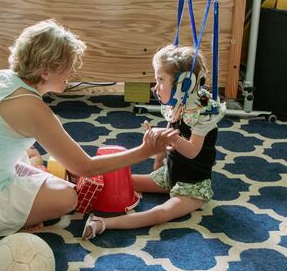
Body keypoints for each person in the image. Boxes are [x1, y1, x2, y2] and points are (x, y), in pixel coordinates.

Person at [0, 19, 177, 236]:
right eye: (68, 66)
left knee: (36, 162)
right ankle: (13, 220)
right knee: (67, 198)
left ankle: (19, 203)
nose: (72, 73)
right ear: (46, 70)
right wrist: (145, 150)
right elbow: (84, 168)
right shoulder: (31, 107)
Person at [82, 44, 225, 239]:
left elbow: (192, 151)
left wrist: (169, 137)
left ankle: (103, 223)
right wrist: (158, 160)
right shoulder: (177, 105)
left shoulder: (202, 114)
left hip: (192, 187)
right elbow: (168, 138)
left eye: (160, 80)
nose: (155, 87)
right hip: (170, 175)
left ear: (184, 84)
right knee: (123, 182)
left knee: (161, 213)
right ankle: (76, 181)